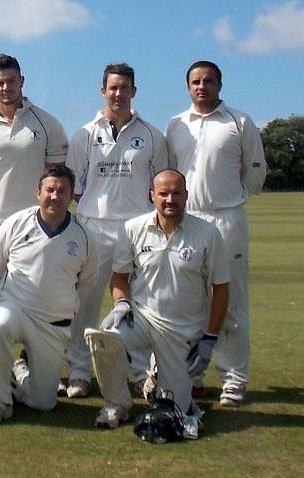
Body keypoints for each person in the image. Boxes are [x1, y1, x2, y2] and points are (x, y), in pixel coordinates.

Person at [85, 169, 230, 439]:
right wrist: (122, 303)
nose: (170, 199)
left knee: (176, 407)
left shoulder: (208, 233)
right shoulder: (132, 228)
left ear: (186, 196)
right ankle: (116, 404)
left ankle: (159, 380)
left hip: (182, 329)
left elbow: (221, 288)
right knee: (103, 340)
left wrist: (209, 337)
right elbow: (119, 276)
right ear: (152, 195)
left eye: (176, 193)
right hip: (140, 317)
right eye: (163, 193)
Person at [0, 53, 69, 395]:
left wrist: (35, 218)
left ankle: (33, 370)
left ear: (22, 81)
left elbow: (55, 178)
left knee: (37, 298)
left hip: (34, 229)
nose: (6, 88)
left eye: (12, 81)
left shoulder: (47, 124)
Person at [65, 63, 170, 398]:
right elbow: (76, 186)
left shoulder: (152, 135)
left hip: (138, 229)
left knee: (139, 303)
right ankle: (80, 371)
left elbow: (160, 184)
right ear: (103, 91)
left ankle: (141, 374)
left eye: (125, 87)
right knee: (85, 302)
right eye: (113, 87)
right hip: (94, 226)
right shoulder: (84, 134)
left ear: (134, 91)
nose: (118, 93)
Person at [165, 60, 266, 406]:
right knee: (190, 301)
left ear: (220, 84)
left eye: (209, 81)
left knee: (232, 301)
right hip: (188, 221)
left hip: (226, 219)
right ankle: (191, 375)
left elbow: (255, 173)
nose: (202, 86)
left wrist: (229, 200)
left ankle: (234, 379)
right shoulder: (176, 124)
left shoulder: (240, 121)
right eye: (195, 81)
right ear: (188, 86)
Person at [0, 165, 98, 426]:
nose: (55, 197)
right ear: (38, 193)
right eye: (50, 190)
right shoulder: (15, 223)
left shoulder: (85, 236)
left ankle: (20, 372)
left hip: (52, 324)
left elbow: (85, 282)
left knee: (43, 404)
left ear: (71, 196)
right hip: (16, 308)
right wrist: (13, 296)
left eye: (62, 191)